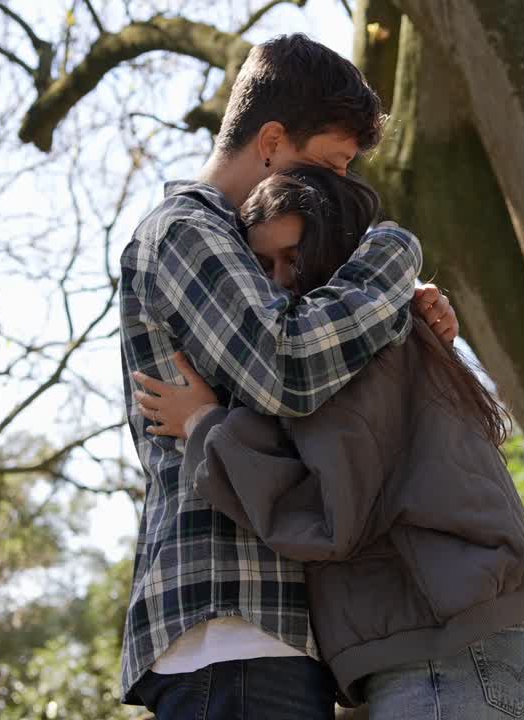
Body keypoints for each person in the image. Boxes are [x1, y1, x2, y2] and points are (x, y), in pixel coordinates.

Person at [118, 34, 459, 720]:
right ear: (271, 141)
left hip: (267, 637)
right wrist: (393, 260)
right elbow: (289, 369)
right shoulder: (187, 231)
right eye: (332, 163)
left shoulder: (257, 247)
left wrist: (403, 309)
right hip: (233, 624)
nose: (343, 188)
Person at [136, 167, 524, 719]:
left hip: (442, 653)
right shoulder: (382, 327)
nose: (279, 281)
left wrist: (205, 426)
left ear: (333, 245)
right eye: (263, 266)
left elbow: (330, 518)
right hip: (447, 646)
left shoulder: (353, 358)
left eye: (294, 256)